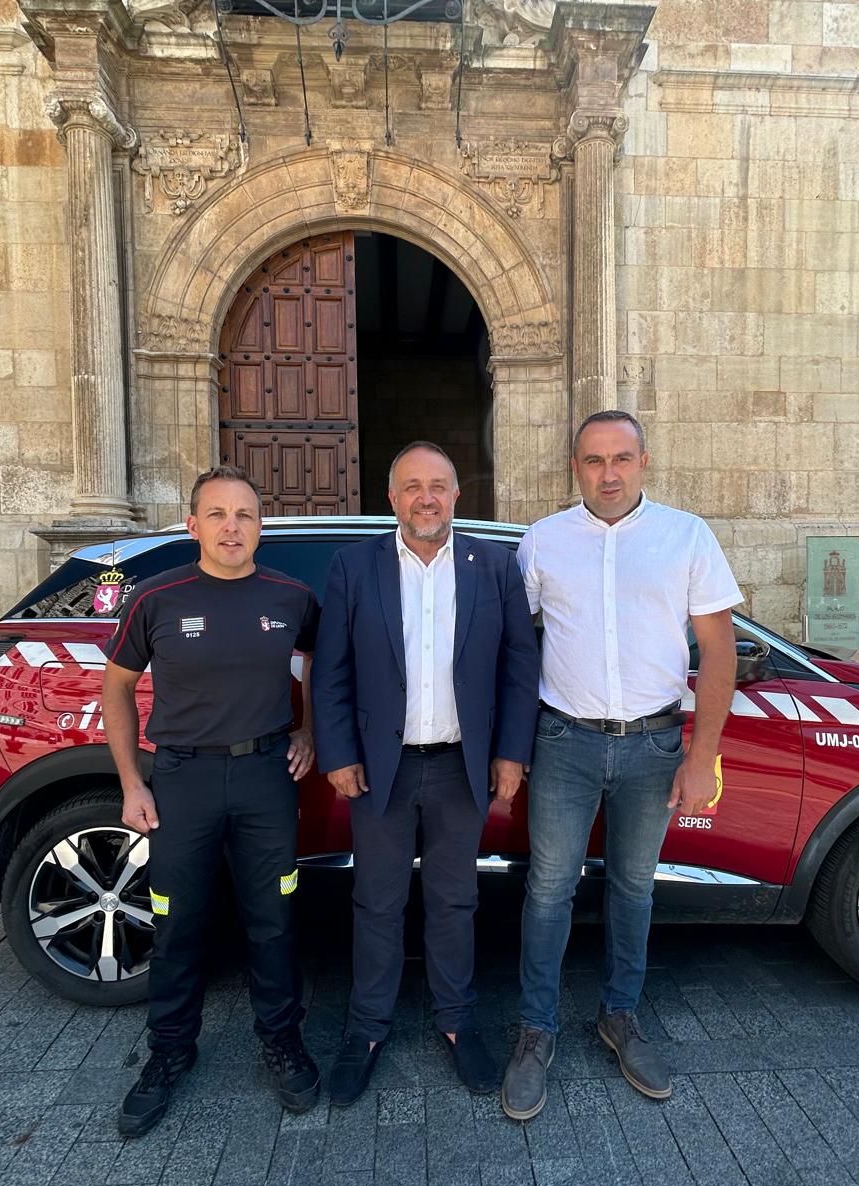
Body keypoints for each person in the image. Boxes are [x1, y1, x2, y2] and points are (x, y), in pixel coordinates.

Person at [500, 411, 743, 1121]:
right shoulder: (544, 541)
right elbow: (516, 650)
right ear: (575, 467)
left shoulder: (686, 536)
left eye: (621, 459)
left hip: (654, 746)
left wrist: (702, 758)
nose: (608, 474)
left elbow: (719, 652)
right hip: (565, 743)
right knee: (548, 890)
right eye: (593, 461)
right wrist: (511, 747)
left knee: (634, 889)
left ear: (644, 461)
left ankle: (619, 1015)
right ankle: (535, 1031)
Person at [312, 441, 540, 1104]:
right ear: (391, 498)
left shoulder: (493, 567)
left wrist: (510, 753)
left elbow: (519, 668)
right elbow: (331, 672)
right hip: (379, 771)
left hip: (459, 769)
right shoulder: (354, 566)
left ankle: (457, 1022)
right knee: (376, 902)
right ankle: (367, 1029)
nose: (426, 498)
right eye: (411, 486)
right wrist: (339, 753)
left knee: (454, 901)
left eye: (437, 484)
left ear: (456, 494)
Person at [101, 465, 323, 1137]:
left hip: (264, 778)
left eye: (245, 515)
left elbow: (318, 662)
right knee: (177, 923)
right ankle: (169, 1052)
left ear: (261, 527)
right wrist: (131, 782)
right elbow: (114, 689)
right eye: (218, 514)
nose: (232, 526)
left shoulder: (291, 596)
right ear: (193, 525)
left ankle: (281, 1042)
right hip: (182, 781)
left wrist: (308, 726)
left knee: (274, 920)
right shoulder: (156, 597)